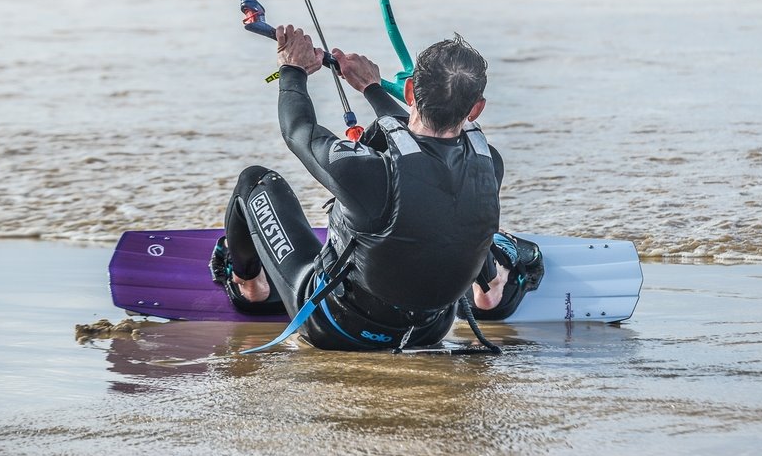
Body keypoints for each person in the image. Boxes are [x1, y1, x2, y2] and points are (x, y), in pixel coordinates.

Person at [216, 25, 534, 351]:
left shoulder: (368, 172)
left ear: (410, 92)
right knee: (456, 209)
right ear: (476, 109)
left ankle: (251, 286)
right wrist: (371, 88)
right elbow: (418, 156)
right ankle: (488, 289)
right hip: (431, 329)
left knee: (254, 181)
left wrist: (292, 69)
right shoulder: (489, 161)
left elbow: (298, 131)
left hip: (337, 327)